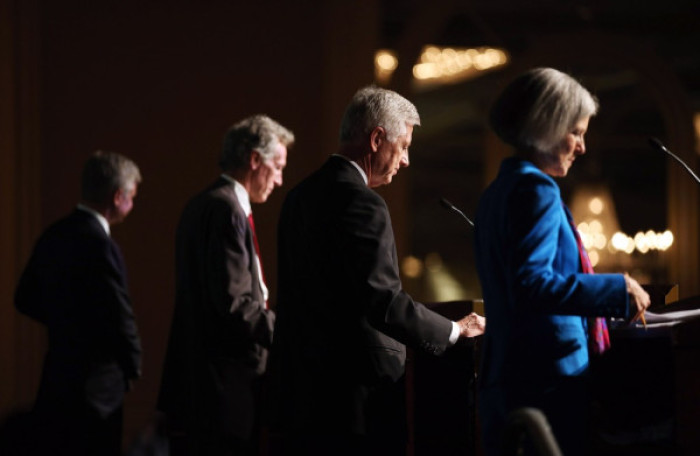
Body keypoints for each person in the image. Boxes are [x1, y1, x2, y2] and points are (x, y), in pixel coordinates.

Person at [266, 86, 484, 456]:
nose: (407, 160)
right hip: (354, 402)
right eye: (404, 146)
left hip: (298, 395)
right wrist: (453, 330)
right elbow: (383, 302)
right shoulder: (363, 203)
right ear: (377, 139)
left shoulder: (298, 196)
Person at [473, 67, 651, 456]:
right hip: (545, 380)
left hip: (506, 376)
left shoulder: (496, 193)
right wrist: (617, 287)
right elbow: (531, 284)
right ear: (547, 126)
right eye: (577, 132)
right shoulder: (536, 190)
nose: (582, 147)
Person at [157, 114, 294, 456]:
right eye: (277, 167)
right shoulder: (226, 209)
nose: (279, 180)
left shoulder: (204, 203)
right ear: (253, 160)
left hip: (201, 389)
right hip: (221, 393)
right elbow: (235, 306)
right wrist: (293, 333)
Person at [14, 150, 143, 456]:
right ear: (117, 197)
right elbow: (119, 313)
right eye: (132, 197)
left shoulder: (53, 235)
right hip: (98, 390)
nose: (133, 204)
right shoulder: (102, 246)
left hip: (56, 379)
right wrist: (133, 363)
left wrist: (65, 321)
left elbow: (24, 298)